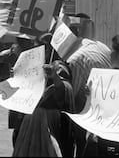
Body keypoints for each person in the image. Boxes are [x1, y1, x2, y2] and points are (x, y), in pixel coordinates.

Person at [13, 32, 74, 157]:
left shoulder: (59, 67)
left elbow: (65, 90)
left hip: (48, 121)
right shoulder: (32, 64)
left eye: (41, 47)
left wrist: (55, 77)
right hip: (31, 119)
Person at [59, 13, 112, 157]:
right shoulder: (102, 46)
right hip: (109, 104)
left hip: (87, 109)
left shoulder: (74, 59)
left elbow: (74, 95)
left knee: (83, 144)